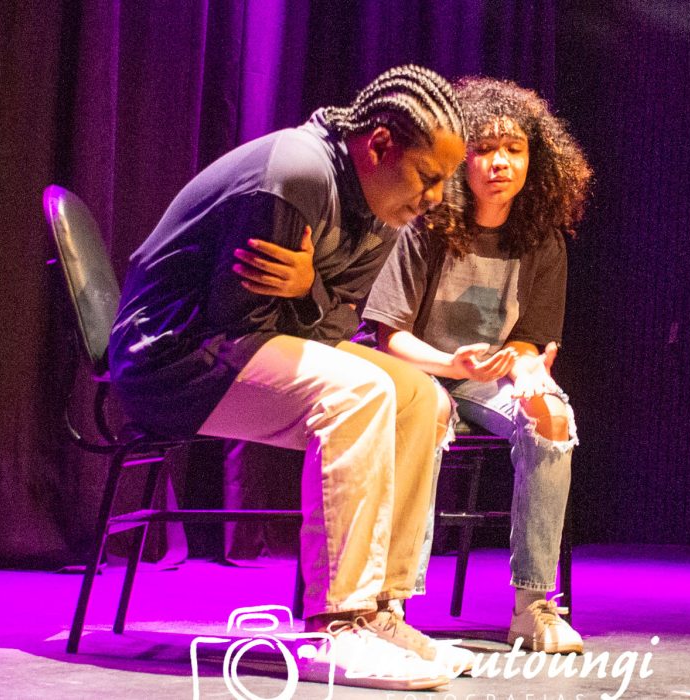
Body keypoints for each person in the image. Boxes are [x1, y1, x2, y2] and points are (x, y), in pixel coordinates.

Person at [108, 65, 472, 689]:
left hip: (237, 347)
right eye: (428, 176)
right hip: (172, 358)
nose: (435, 198)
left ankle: (381, 610)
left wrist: (307, 289)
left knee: (421, 397)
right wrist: (315, 302)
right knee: (360, 391)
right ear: (380, 145)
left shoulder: (384, 207)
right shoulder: (297, 175)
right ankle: (337, 625)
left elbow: (337, 324)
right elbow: (241, 319)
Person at [362, 77, 593, 654]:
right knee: (430, 410)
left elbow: (530, 339)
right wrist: (450, 361)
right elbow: (389, 336)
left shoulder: (542, 239)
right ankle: (392, 604)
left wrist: (527, 368)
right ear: (460, 157)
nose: (500, 163)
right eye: (485, 149)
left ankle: (533, 606)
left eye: (514, 149)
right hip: (420, 371)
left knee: (552, 416)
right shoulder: (424, 223)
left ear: (535, 160)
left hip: (487, 381)